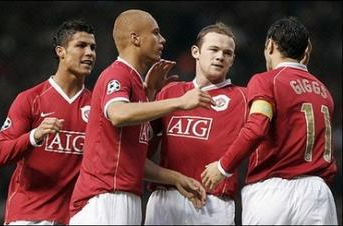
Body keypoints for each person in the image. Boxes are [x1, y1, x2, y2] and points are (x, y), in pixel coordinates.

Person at [69, 9, 214, 225]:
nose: (162, 39)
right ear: (135, 38)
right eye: (155, 33)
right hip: (104, 197)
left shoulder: (137, 85)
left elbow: (133, 160)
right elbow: (117, 114)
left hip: (125, 197)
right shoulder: (117, 74)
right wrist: (179, 102)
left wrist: (176, 178)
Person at [201, 17, 338, 225]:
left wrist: (222, 167)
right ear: (306, 51)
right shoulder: (324, 92)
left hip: (273, 193)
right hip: (318, 194)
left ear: (270, 45)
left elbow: (256, 128)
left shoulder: (267, 80)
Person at [143, 22, 247, 225]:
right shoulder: (170, 92)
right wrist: (148, 95)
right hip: (165, 199)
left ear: (233, 60)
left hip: (212, 202)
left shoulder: (243, 97)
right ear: (196, 52)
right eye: (214, 49)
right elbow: (141, 146)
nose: (220, 56)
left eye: (227, 53)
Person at [0, 19, 96, 225]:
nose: (90, 53)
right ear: (61, 51)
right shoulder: (30, 99)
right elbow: (1, 154)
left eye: (93, 47)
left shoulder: (97, 106)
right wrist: (34, 136)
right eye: (81, 45)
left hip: (74, 217)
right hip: (28, 215)